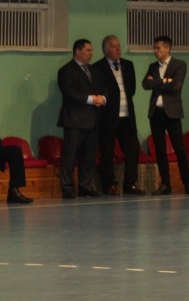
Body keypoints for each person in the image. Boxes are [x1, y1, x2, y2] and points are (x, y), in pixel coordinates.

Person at [141, 36, 189, 195]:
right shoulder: (153, 66)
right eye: (154, 48)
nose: (155, 51)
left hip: (172, 112)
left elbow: (176, 86)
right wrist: (165, 80)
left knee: (179, 148)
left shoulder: (179, 64)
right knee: (160, 150)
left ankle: (187, 183)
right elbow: (145, 84)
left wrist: (157, 82)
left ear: (167, 48)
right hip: (155, 112)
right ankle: (165, 184)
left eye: (158, 48)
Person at [92, 35, 145, 196]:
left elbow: (131, 90)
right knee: (107, 152)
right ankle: (109, 185)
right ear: (106, 49)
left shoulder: (128, 65)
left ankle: (130, 184)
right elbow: (99, 90)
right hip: (108, 117)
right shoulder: (97, 68)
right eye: (114, 46)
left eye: (119, 46)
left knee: (133, 149)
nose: (118, 49)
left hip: (126, 116)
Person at [57, 39, 106, 199]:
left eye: (91, 50)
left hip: (93, 119)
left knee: (89, 156)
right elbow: (69, 92)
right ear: (78, 51)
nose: (91, 53)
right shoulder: (66, 70)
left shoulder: (94, 70)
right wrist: (91, 99)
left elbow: (103, 88)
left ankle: (85, 185)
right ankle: (67, 186)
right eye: (88, 50)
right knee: (70, 155)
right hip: (75, 120)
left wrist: (103, 98)